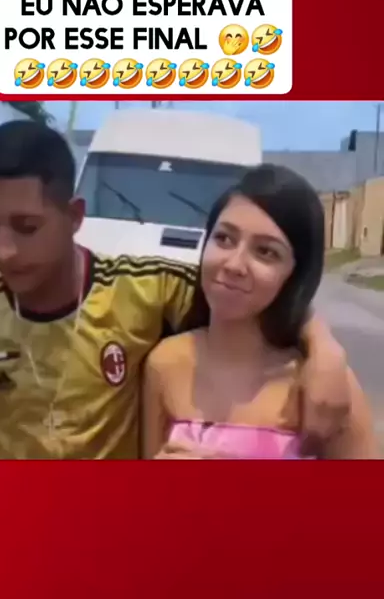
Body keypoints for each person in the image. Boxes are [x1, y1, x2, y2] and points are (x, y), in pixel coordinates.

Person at [0, 121, 350, 459]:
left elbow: (241, 295)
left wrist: (324, 348)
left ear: (75, 217)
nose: (4, 250)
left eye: (27, 227)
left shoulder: (145, 289)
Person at [142, 165, 378, 460]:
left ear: (295, 275)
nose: (234, 264)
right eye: (224, 238)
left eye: (266, 252)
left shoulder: (324, 385)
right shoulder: (164, 364)